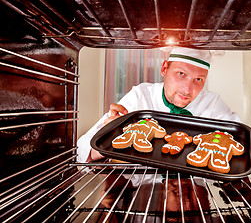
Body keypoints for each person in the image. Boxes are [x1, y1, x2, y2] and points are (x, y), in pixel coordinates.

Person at [77, 47, 241, 162]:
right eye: (181, 74)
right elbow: (82, 152)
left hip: (195, 192)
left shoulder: (212, 104)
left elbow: (242, 145)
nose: (187, 89)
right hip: (141, 191)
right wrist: (110, 138)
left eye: (198, 79)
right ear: (164, 68)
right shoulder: (140, 96)